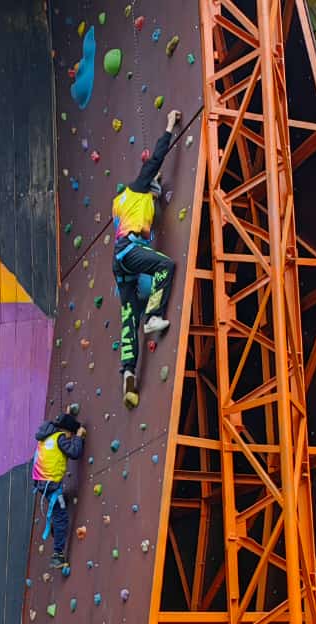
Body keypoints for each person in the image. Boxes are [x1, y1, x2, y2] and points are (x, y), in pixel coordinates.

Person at [112, 109, 183, 408]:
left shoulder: (119, 202)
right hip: (130, 249)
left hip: (120, 260)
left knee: (129, 314)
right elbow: (157, 157)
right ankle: (154, 315)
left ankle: (128, 371)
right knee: (164, 266)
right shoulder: (139, 186)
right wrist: (169, 126)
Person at [32, 408, 86, 569]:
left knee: (58, 509)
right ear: (66, 431)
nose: (68, 438)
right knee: (61, 517)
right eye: (69, 434)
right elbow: (74, 452)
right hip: (52, 485)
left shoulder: (46, 436)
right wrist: (78, 437)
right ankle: (57, 555)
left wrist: (68, 416)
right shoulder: (61, 437)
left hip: (40, 482)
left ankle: (57, 530)